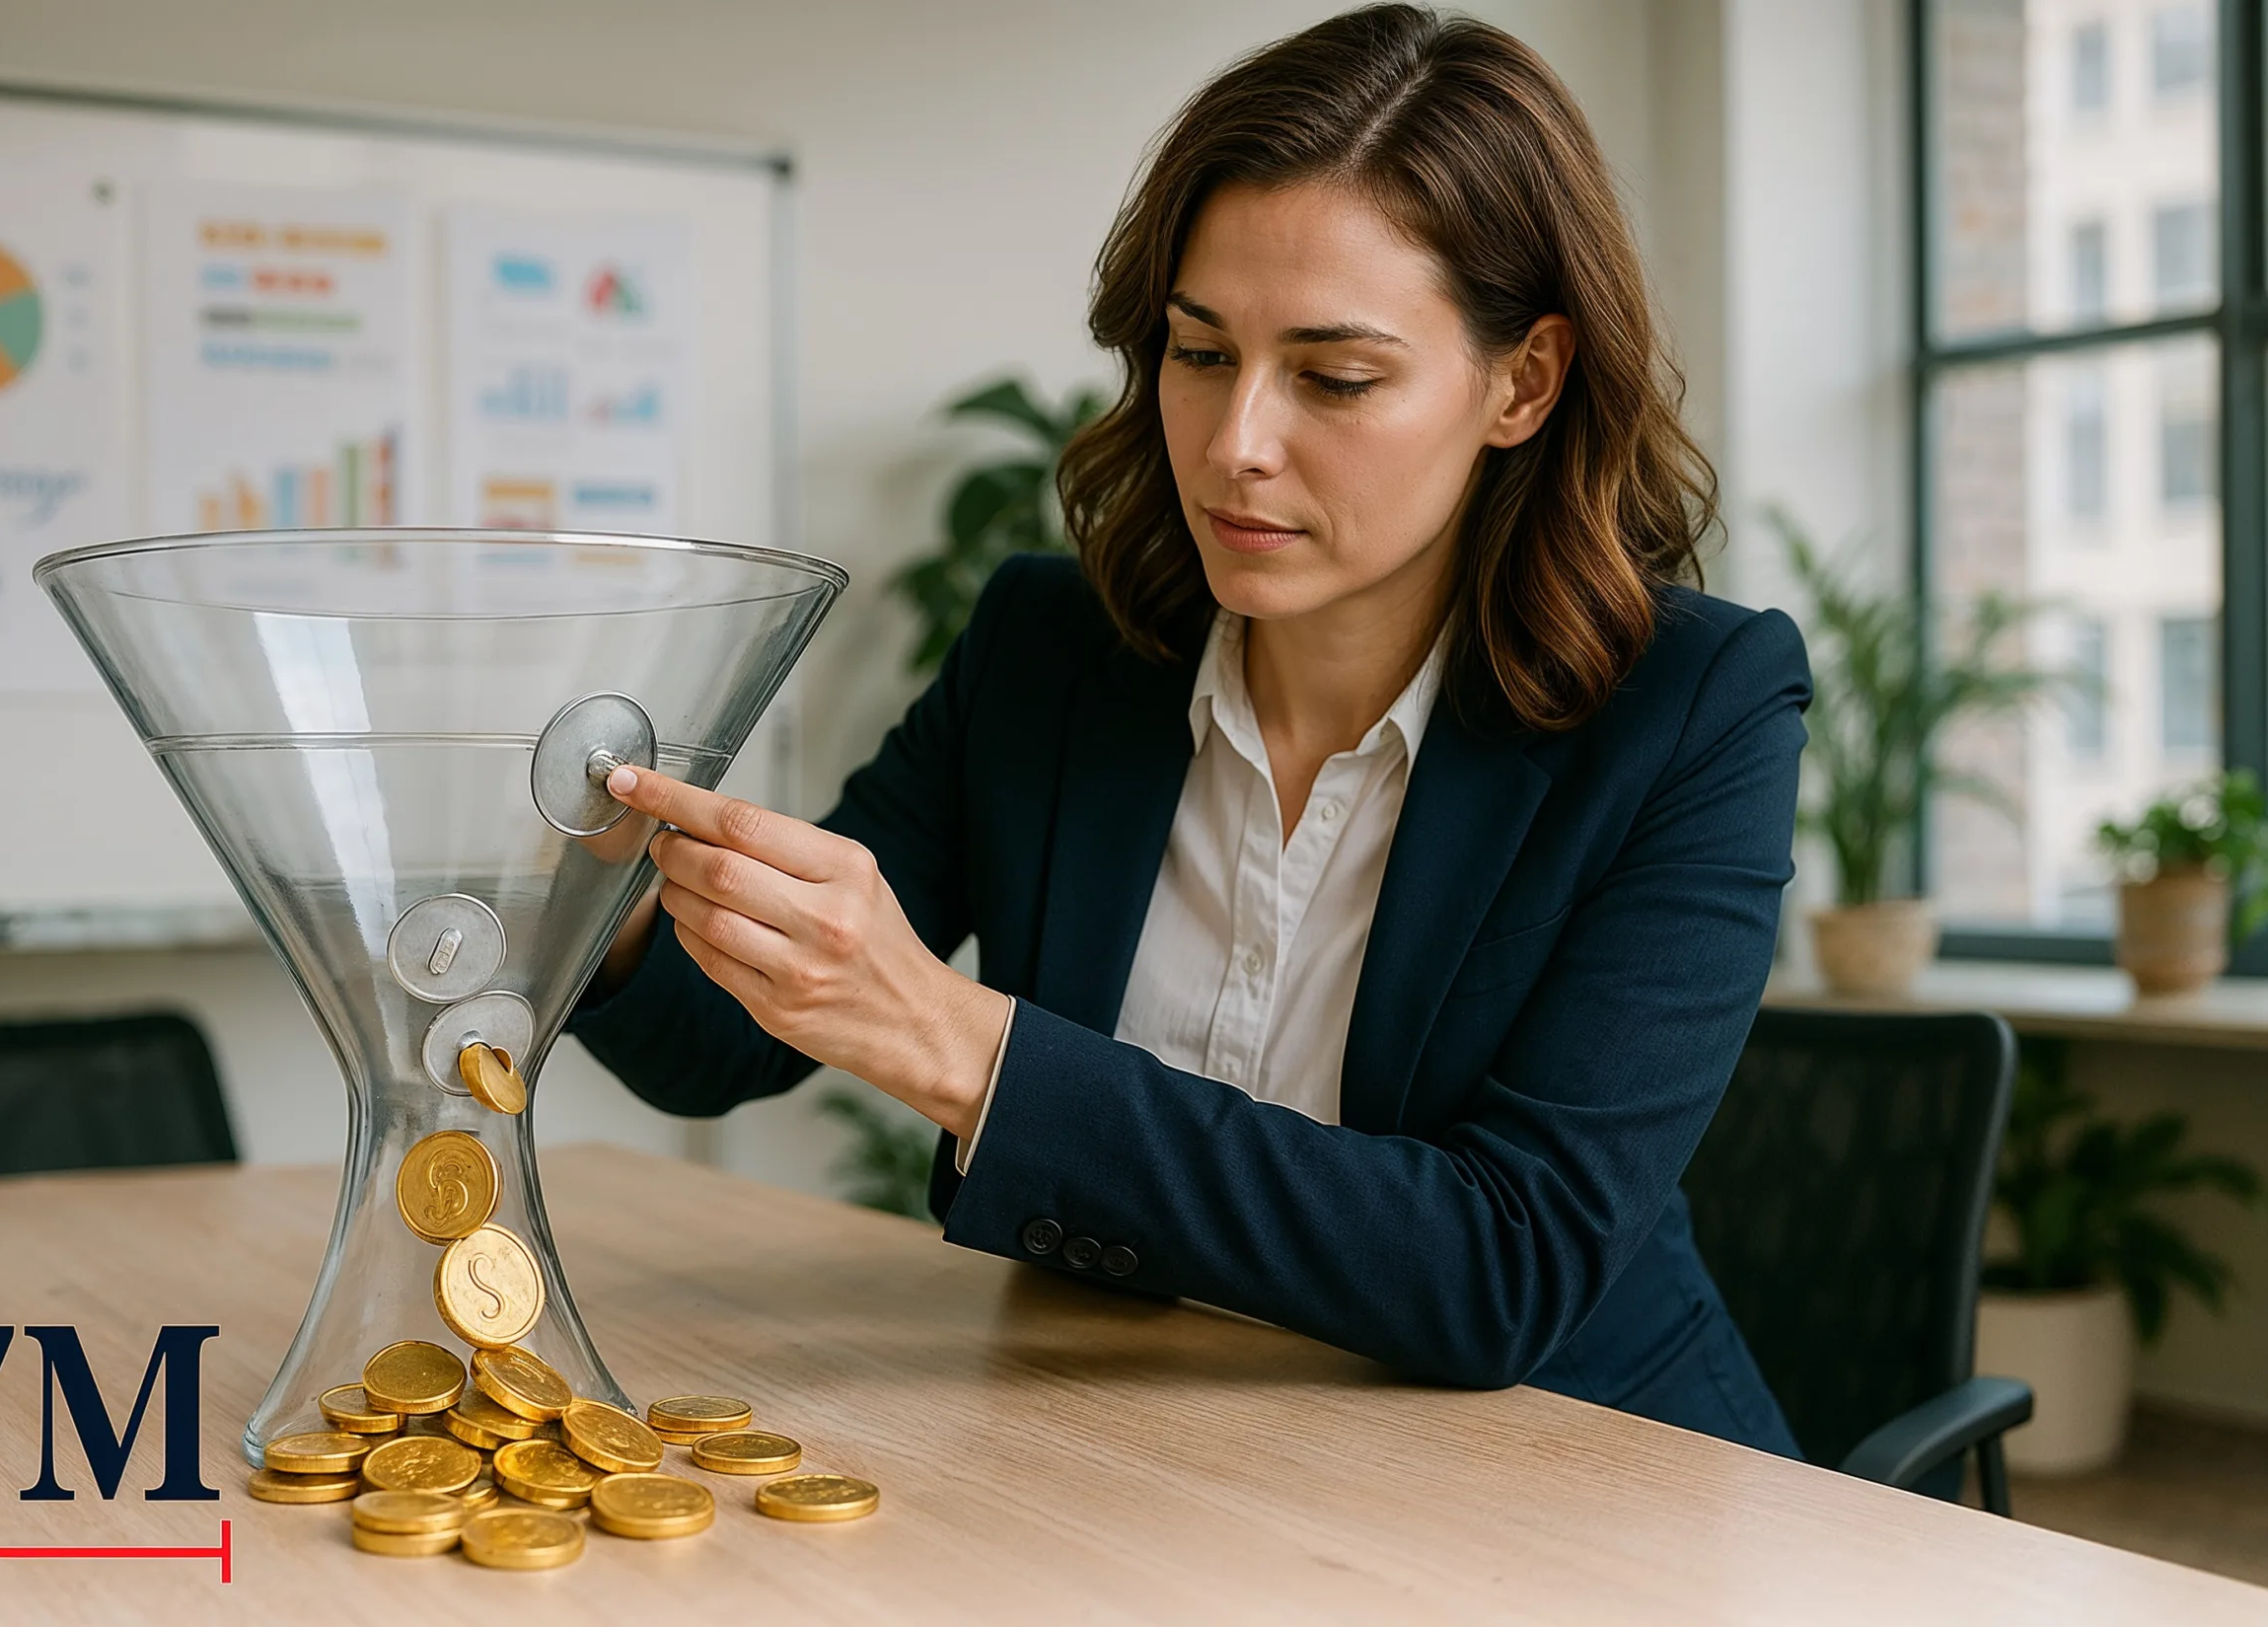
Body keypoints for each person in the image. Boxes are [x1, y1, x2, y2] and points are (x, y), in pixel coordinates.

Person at [570, 3, 1807, 1456]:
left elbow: (1502, 1264)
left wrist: (963, 1047)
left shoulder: (1693, 709)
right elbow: (719, 1045)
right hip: (1146, 1450)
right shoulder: (1051, 653)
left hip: (1586, 1481)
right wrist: (620, 895)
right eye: (1199, 351)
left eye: (1336, 378)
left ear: (1522, 382)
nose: (1237, 443)